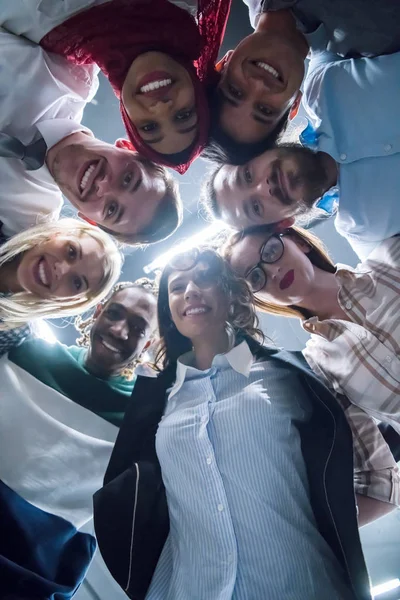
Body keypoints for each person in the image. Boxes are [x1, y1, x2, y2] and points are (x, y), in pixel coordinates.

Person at [93, 246, 379, 600]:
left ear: (230, 293)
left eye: (205, 278)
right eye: (178, 286)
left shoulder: (295, 375)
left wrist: (317, 523)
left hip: (305, 586)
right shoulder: (155, 401)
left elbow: (383, 484)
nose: (191, 291)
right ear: (170, 310)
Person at [0, 278, 158, 599]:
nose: (118, 331)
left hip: (26, 576)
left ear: (151, 344)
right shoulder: (24, 350)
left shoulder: (145, 422)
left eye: (139, 328)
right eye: (114, 314)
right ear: (98, 310)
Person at [224, 224, 400, 482]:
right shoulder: (318, 367)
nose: (272, 271)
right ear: (260, 299)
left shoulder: (390, 260)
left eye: (271, 251)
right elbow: (377, 477)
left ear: (298, 241)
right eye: (255, 278)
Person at [1, 0, 231, 174]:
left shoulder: (46, 41)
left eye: (149, 127)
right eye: (183, 115)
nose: (162, 107)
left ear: (127, 117)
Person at [0, 26, 181, 245]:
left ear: (89, 220)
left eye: (112, 209)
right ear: (128, 147)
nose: (103, 186)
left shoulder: (27, 227)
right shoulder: (73, 65)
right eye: (127, 179)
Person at [204, 0, 400, 162]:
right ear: (295, 104)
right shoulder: (379, 33)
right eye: (265, 110)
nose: (258, 84)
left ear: (224, 63)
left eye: (236, 91)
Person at [201, 134, 399, 260]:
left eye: (247, 176)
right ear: (282, 223)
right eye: (255, 207)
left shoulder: (327, 82)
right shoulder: (366, 235)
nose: (264, 188)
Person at [0, 217, 122, 353]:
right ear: (57, 234)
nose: (62, 270)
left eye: (77, 283)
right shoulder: (4, 216)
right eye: (71, 252)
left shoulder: (15, 333)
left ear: (73, 300)